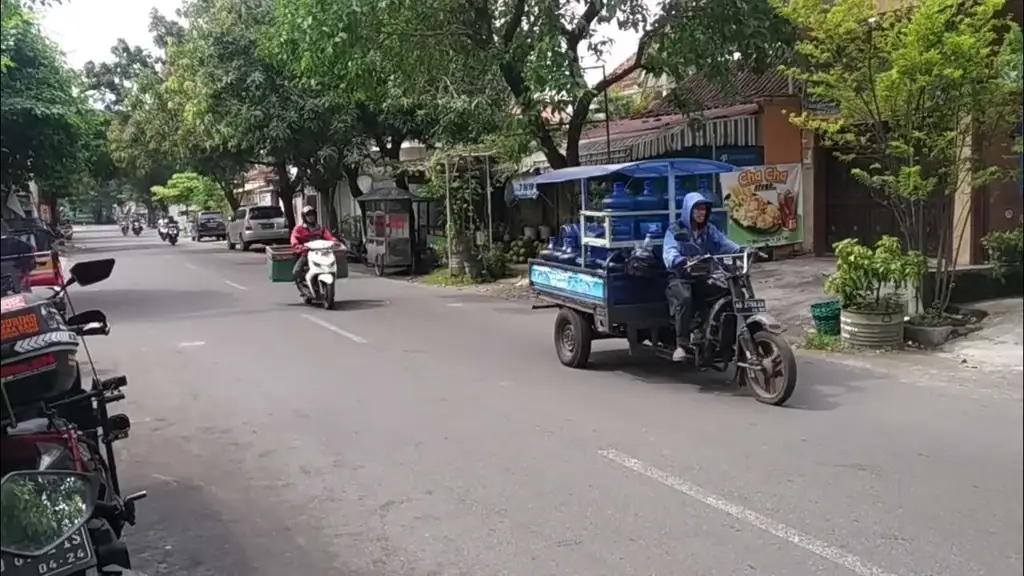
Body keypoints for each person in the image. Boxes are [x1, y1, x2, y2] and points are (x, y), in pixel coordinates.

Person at [661, 191, 743, 362]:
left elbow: (724, 244)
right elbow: (669, 253)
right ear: (688, 210)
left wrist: (742, 251)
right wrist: (679, 259)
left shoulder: (709, 229)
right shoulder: (675, 229)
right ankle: (681, 345)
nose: (700, 212)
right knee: (684, 298)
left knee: (727, 293)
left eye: (703, 209)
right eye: (697, 209)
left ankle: (717, 335)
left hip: (702, 275)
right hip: (680, 277)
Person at [290, 206, 337, 295]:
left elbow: (328, 236)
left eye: (312, 215)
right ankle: (302, 285)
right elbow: (294, 238)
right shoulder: (299, 228)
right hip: (306, 253)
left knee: (331, 266)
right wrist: (297, 245)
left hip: (321, 253)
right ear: (304, 217)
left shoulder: (320, 228)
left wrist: (334, 241)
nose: (311, 217)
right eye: (308, 215)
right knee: (296, 271)